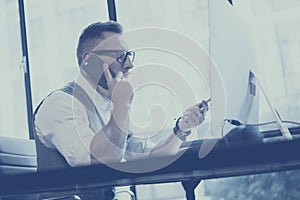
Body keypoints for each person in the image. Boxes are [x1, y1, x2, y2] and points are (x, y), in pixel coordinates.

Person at [33, 21, 209, 200]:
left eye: (129, 56)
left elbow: (149, 158)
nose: (129, 65)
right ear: (89, 60)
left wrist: (181, 129)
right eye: (120, 57)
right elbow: (96, 167)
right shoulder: (60, 103)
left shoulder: (109, 104)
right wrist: (121, 106)